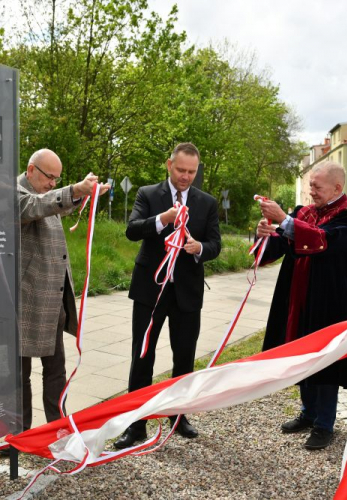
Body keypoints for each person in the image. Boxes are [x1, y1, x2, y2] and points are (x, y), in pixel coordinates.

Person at [114, 142, 222, 449]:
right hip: (151, 290)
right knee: (142, 355)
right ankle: (136, 425)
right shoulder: (148, 195)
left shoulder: (207, 202)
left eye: (192, 171)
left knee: (184, 355)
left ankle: (178, 417)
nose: (186, 176)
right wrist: (164, 219)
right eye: (181, 170)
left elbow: (216, 244)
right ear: (168, 165)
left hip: (186, 293)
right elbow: (132, 230)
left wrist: (199, 247)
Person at [256, 160, 347, 450]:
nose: (312, 193)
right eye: (310, 187)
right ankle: (308, 412)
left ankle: (324, 424)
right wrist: (266, 233)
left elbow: (325, 240)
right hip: (299, 296)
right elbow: (280, 246)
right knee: (300, 353)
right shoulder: (304, 213)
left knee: (326, 358)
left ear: (337, 187)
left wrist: (285, 220)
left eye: (317, 187)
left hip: (333, 301)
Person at [17, 149, 109, 430]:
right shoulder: (14, 193)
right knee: (19, 377)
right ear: (31, 170)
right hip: (24, 305)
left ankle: (57, 428)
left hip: (52, 301)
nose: (53, 184)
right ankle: (18, 437)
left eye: (58, 179)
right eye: (50, 177)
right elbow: (36, 206)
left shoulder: (41, 192)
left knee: (56, 372)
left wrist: (83, 195)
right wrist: (74, 189)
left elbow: (53, 203)